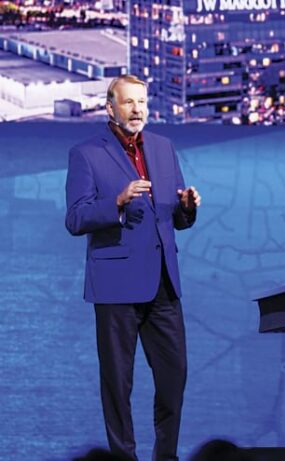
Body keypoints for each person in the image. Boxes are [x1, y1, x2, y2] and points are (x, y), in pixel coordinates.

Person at [65, 75, 201, 461]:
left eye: (142, 102)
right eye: (129, 103)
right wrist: (118, 202)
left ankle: (166, 456)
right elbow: (75, 218)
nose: (138, 109)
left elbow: (174, 217)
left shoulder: (162, 147)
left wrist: (187, 206)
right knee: (118, 383)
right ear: (111, 108)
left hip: (163, 283)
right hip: (115, 284)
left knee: (174, 377)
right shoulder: (87, 153)